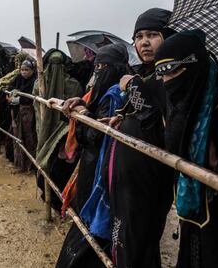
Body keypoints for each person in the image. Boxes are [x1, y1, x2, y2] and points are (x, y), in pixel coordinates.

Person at [154, 29, 218, 268]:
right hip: (193, 204)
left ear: (195, 64)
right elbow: (174, 141)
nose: (167, 81)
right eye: (161, 73)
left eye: (172, 70)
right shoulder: (188, 95)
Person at [100, 8, 175, 267]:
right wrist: (122, 117)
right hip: (127, 175)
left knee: (136, 239)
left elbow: (155, 112)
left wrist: (130, 85)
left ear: (169, 36)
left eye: (153, 34)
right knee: (131, 243)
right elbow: (141, 113)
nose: (144, 42)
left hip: (148, 176)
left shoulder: (173, 76)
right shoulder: (148, 74)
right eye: (139, 36)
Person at [55, 43, 129, 268]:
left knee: (95, 230)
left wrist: (84, 114)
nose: (98, 70)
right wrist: (81, 104)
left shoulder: (117, 95)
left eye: (104, 66)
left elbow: (94, 136)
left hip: (102, 168)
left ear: (116, 68)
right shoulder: (99, 92)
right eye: (96, 65)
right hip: (89, 165)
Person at [34, 49, 83, 210]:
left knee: (57, 167)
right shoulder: (40, 83)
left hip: (63, 134)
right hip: (54, 131)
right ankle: (55, 199)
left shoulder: (41, 83)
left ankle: (57, 200)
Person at [7, 60, 37, 172]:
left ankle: (29, 165)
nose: (24, 72)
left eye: (27, 70)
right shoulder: (18, 78)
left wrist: (20, 98)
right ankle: (19, 162)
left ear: (32, 71)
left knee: (28, 137)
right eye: (22, 70)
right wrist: (13, 91)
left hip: (29, 113)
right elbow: (10, 86)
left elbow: (32, 96)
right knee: (16, 135)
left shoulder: (34, 81)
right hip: (17, 112)